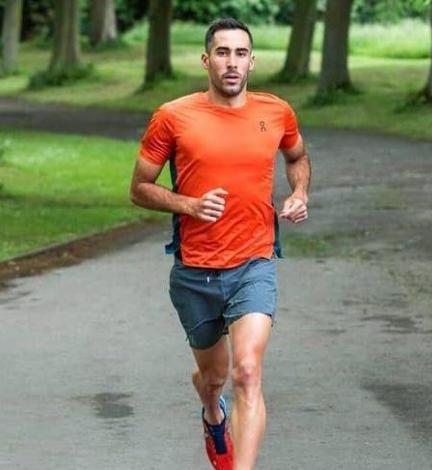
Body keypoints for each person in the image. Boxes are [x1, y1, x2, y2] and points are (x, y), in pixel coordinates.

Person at [129, 18, 311, 470]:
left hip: (255, 261)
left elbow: (297, 156)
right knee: (215, 378)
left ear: (253, 61)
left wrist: (299, 193)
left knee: (247, 371)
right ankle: (212, 411)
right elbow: (139, 187)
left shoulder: (277, 112)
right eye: (223, 53)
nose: (233, 63)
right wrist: (188, 205)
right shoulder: (173, 116)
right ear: (207, 60)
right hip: (195, 272)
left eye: (241, 53)